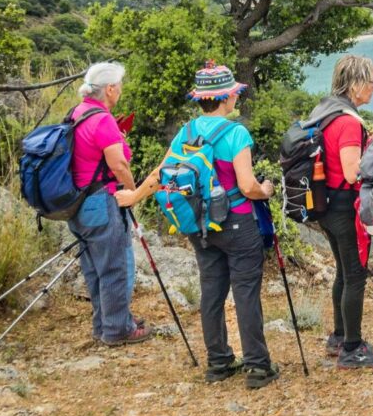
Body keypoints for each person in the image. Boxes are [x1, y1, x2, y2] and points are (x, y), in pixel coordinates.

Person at [117, 62, 280, 388]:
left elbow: (160, 173)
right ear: (227, 98)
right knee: (245, 293)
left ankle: (218, 363)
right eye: (234, 94)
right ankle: (258, 367)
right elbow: (247, 186)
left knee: (212, 292)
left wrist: (133, 196)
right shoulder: (236, 133)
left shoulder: (186, 132)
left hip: (199, 224)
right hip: (236, 222)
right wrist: (267, 190)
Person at [316, 54, 373, 369]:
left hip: (326, 205)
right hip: (345, 206)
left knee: (344, 271)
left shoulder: (325, 110)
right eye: (372, 82)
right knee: (355, 273)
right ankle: (352, 348)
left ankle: (340, 336)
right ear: (356, 84)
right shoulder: (347, 121)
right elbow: (350, 171)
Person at [69, 62, 147, 345]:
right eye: (120, 87)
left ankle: (105, 323)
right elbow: (119, 165)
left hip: (77, 203)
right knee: (115, 266)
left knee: (94, 267)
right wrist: (133, 192)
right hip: (102, 200)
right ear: (110, 89)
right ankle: (117, 330)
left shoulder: (77, 113)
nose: (121, 91)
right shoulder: (103, 120)